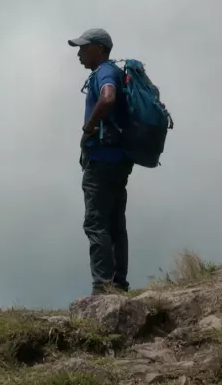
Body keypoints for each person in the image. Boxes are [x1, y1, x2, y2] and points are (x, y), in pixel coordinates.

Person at [68, 28, 134, 295]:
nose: (79, 53)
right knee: (115, 221)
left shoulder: (105, 72)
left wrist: (88, 127)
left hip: (101, 160)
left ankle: (103, 287)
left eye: (84, 47)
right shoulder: (115, 72)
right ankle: (118, 284)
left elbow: (108, 98)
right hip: (119, 160)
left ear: (100, 49)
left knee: (96, 222)